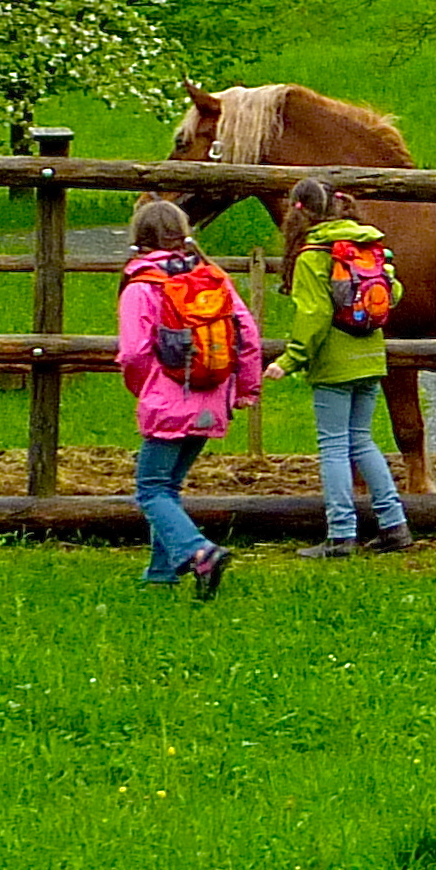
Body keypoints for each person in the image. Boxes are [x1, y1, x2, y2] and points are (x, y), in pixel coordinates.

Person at [116, 197, 263, 600]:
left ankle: (199, 552)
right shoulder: (212, 279)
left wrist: (145, 389)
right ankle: (161, 572)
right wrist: (246, 388)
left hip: (169, 398)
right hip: (212, 396)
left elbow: (132, 353)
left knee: (149, 489)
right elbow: (247, 336)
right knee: (169, 486)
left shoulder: (142, 285)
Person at [266, 176, 412, 557]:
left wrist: (290, 359)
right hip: (370, 357)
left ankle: (341, 533)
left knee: (332, 446)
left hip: (334, 364)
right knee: (362, 441)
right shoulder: (369, 246)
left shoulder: (314, 255)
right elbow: (393, 293)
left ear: (298, 212)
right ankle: (394, 524)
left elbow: (314, 314)